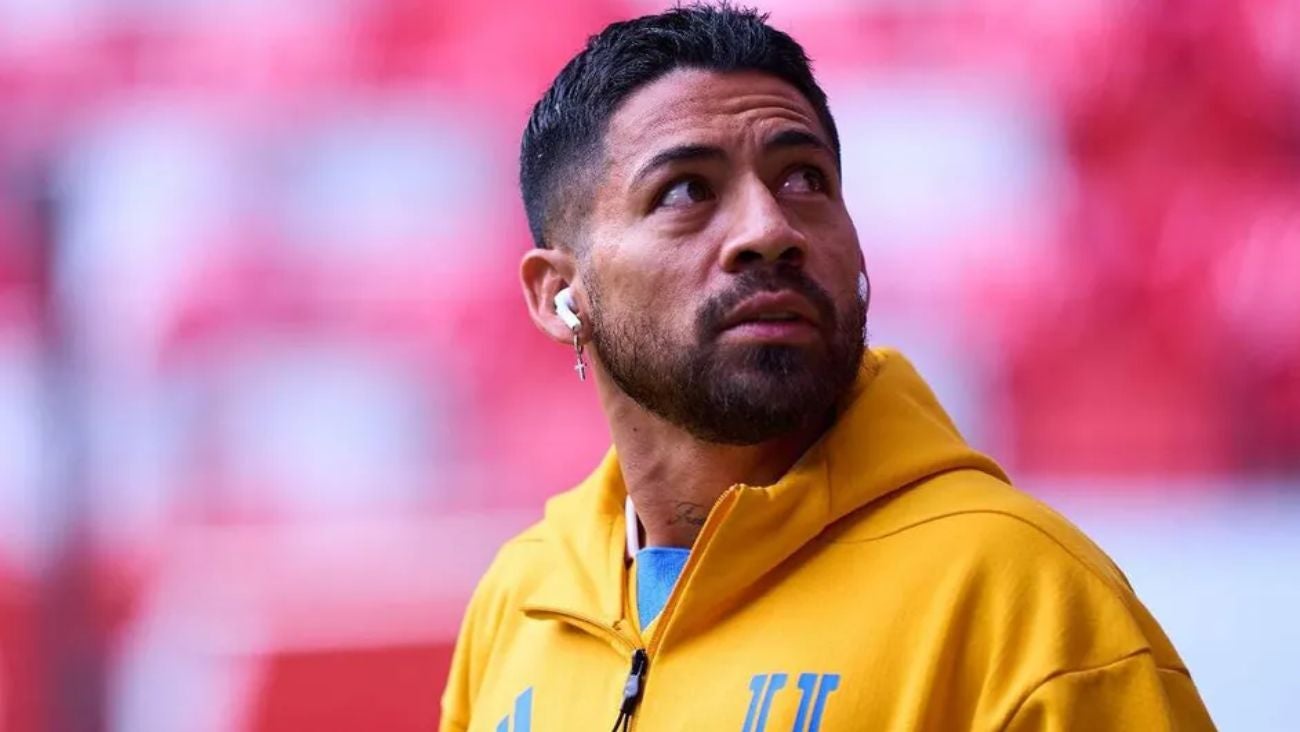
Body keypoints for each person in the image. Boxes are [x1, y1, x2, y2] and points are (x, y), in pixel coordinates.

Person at [441, 5, 1216, 730]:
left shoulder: (1025, 599)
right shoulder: (520, 602)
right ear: (559, 296)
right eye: (686, 190)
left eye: (803, 179)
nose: (770, 228)